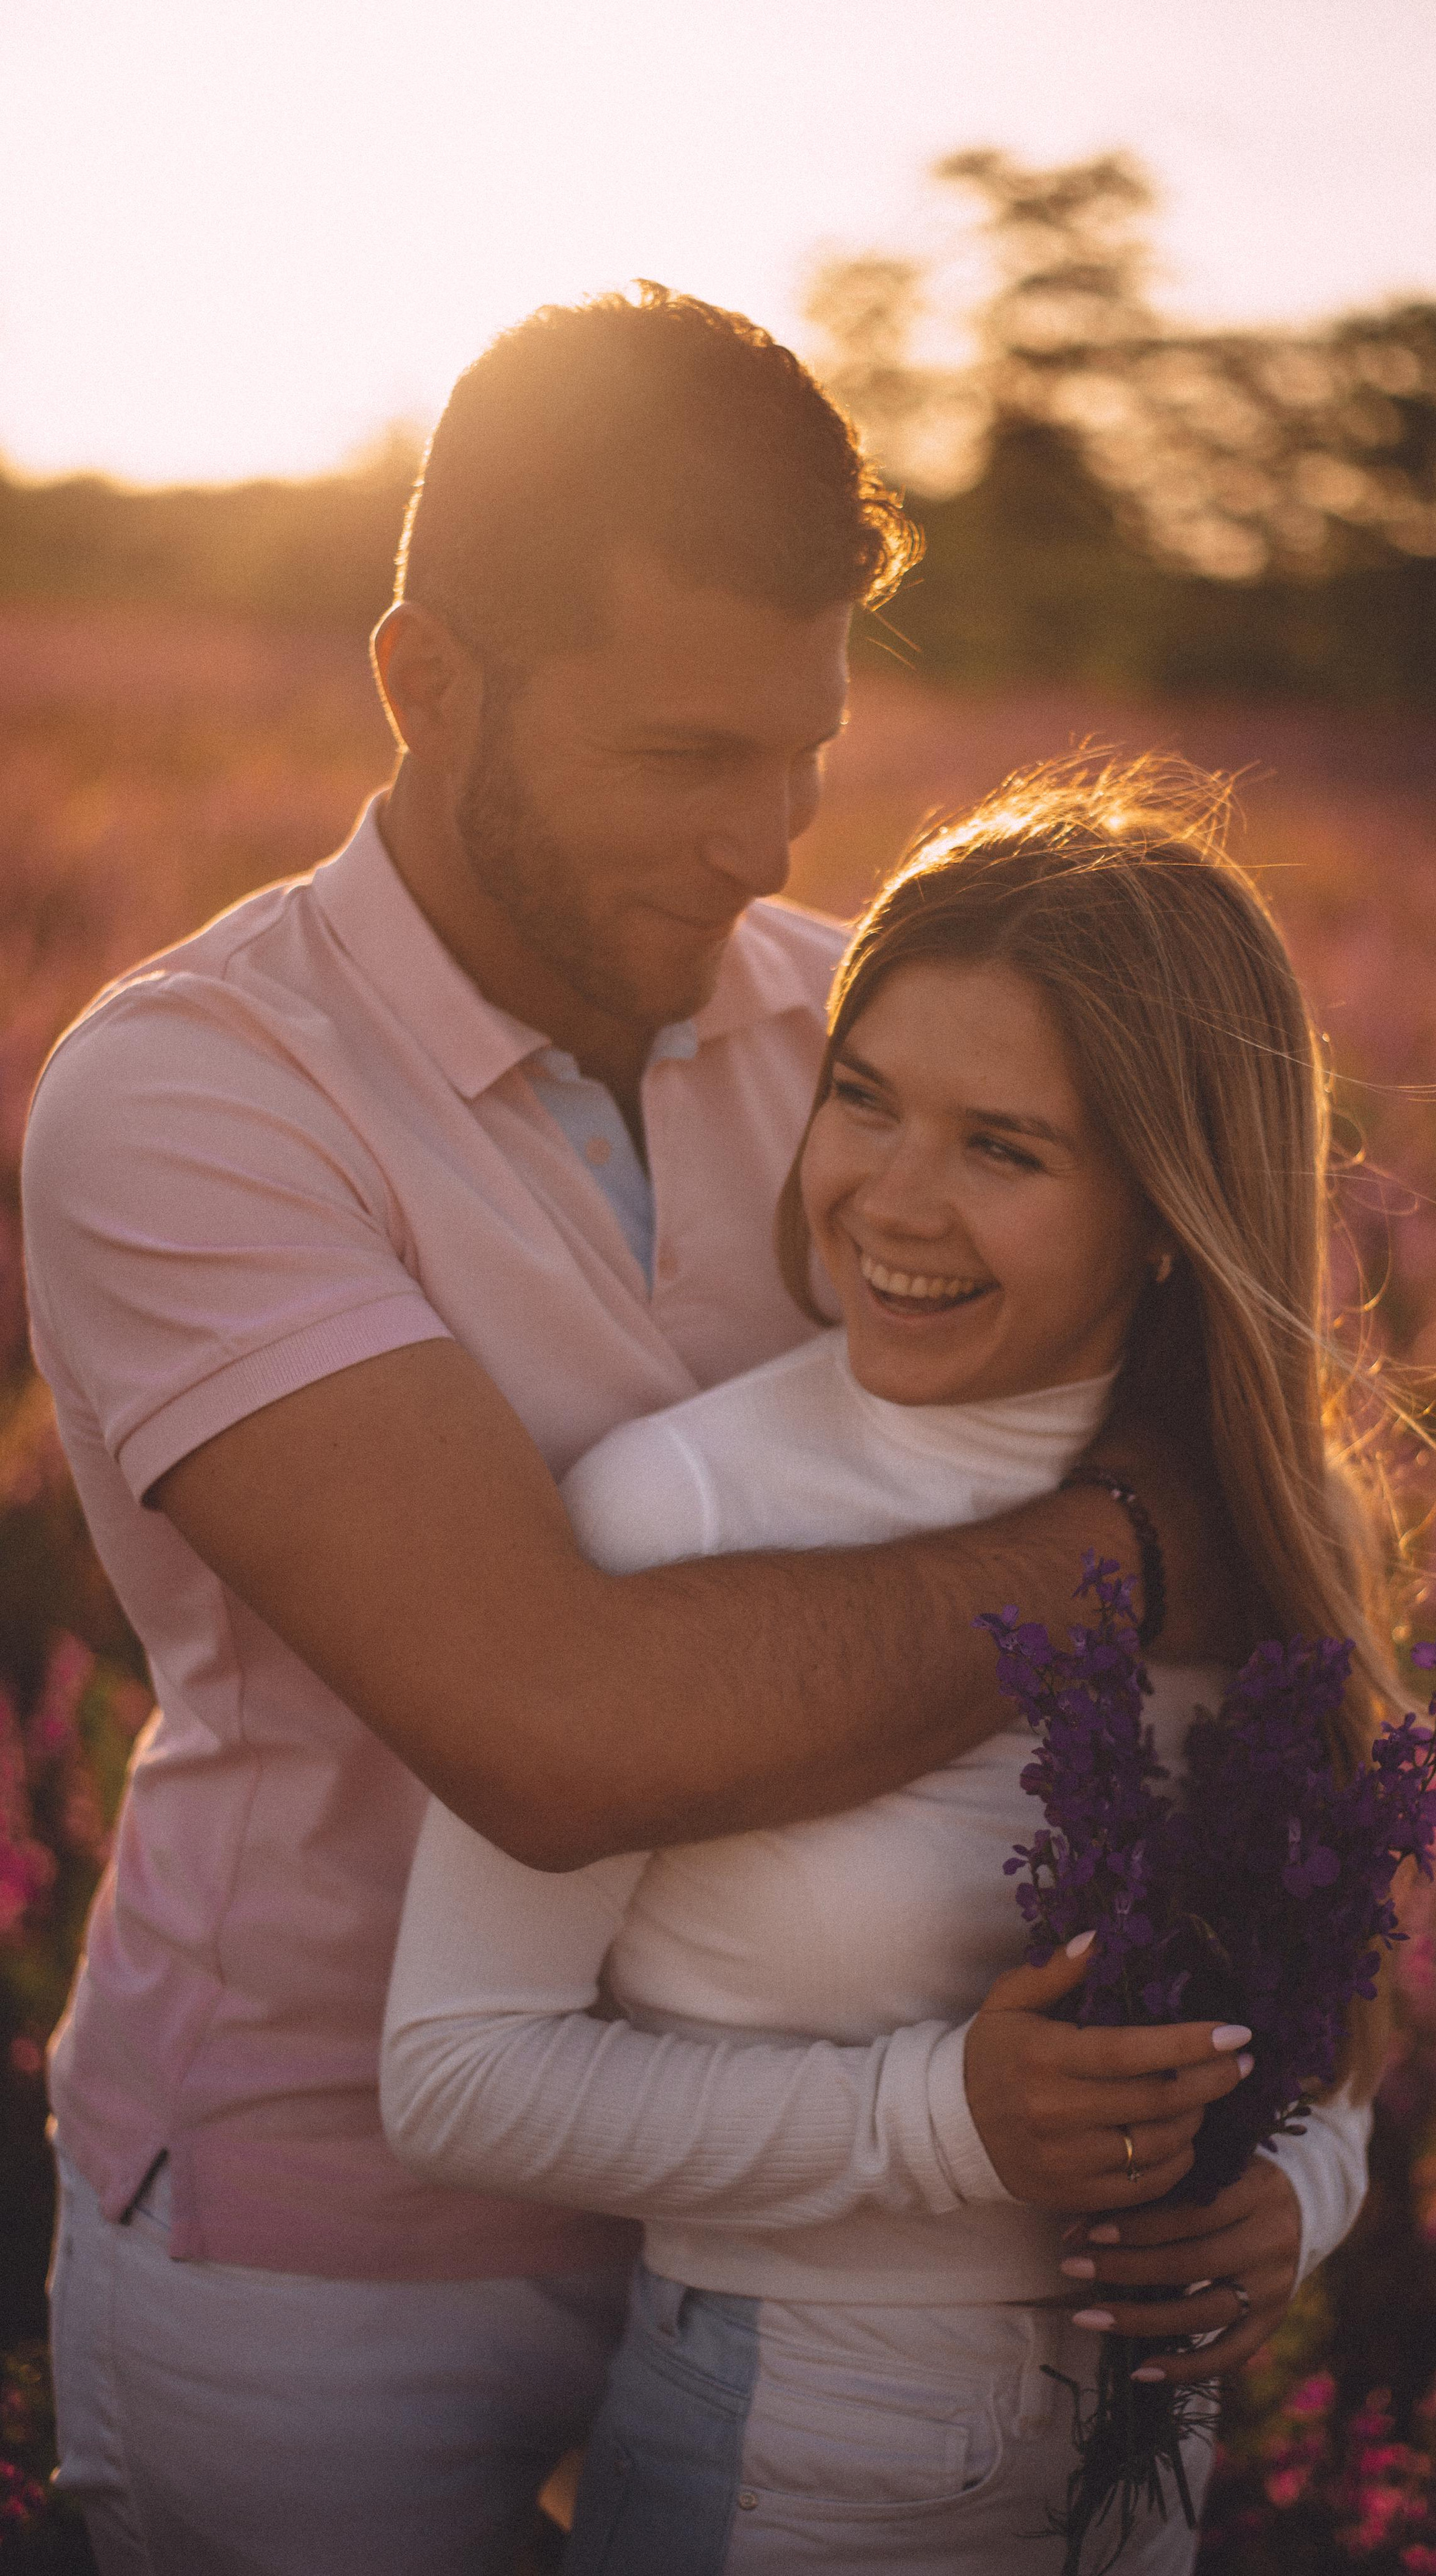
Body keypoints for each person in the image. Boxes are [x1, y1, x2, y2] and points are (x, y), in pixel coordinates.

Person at [19, 291, 1287, 2576]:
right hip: (331, 2245)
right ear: (426, 684)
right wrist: (1137, 1544)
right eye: (685, 753)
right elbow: (555, 1729)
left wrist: (1293, 2156)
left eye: (803, 753)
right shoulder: (193, 1092)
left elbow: (1277, 1513)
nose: (760, 843)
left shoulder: (860, 1036)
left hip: (795, 2228)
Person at [380, 764, 1386, 2575]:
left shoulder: (1277, 1519)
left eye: (1004, 1147)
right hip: (792, 2448)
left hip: (1149, 2479)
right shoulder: (681, 1506)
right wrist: (937, 2122)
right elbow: (452, 2074)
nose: (891, 1203)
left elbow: (1338, 2029)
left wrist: (1298, 2194)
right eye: (864, 1100)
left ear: (1171, 1202)